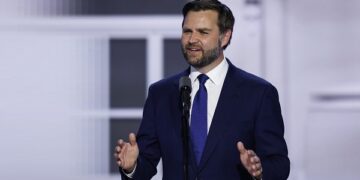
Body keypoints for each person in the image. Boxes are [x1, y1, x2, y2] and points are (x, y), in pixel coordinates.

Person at [114, 0, 290, 179]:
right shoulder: (161, 94)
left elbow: (279, 165)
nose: (192, 40)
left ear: (225, 37)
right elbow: (146, 164)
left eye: (203, 32)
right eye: (187, 31)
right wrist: (132, 167)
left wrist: (259, 170)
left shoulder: (259, 94)